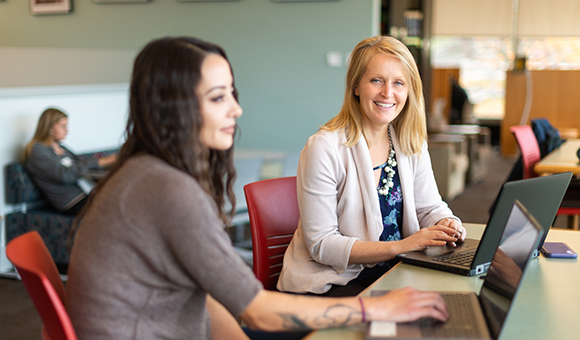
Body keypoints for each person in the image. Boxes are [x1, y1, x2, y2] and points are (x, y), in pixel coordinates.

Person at [65, 36, 449, 340]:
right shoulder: (167, 192)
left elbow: (208, 300)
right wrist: (375, 309)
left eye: (232, 93)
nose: (236, 109)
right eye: (218, 97)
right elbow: (256, 310)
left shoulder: (144, 174)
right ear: (173, 107)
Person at [277, 36, 466, 297]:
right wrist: (402, 246)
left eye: (398, 83)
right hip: (333, 281)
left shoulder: (410, 142)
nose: (388, 93)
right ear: (356, 86)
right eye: (376, 80)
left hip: (394, 272)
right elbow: (322, 244)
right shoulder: (324, 147)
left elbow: (429, 207)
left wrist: (446, 223)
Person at [22, 108, 117, 215]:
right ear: (49, 128)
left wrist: (106, 163)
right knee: (115, 208)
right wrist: (99, 162)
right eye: (63, 126)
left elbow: (79, 163)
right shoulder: (37, 150)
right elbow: (65, 175)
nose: (67, 130)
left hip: (86, 192)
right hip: (72, 201)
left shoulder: (61, 147)